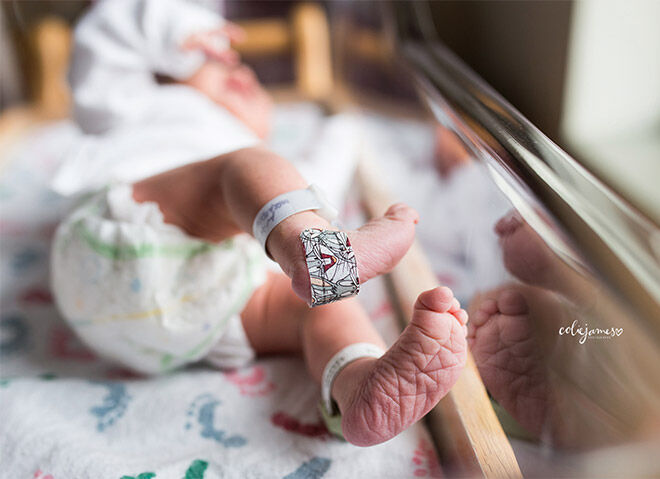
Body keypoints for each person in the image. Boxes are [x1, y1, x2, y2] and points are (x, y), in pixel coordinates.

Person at [50, 0, 468, 447]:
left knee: (324, 307)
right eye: (226, 72)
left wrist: (346, 127)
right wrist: (182, 33)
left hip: (192, 316)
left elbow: (310, 188)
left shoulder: (263, 166)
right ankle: (321, 258)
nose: (246, 75)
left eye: (255, 86)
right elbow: (103, 43)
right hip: (123, 235)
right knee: (251, 175)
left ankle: (357, 388)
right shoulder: (138, 109)